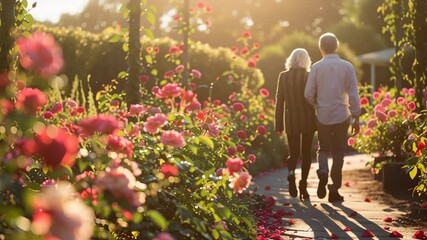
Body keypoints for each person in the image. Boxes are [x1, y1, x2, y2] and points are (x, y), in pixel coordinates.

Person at [304, 32, 361, 203]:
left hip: (323, 115)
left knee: (323, 148)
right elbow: (353, 94)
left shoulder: (316, 67)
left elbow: (308, 93)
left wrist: (317, 104)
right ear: (336, 47)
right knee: (338, 152)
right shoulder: (347, 67)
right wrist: (356, 117)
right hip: (343, 115)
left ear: (321, 48)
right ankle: (334, 190)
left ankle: (323, 171)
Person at [275, 48, 316, 201]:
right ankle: (303, 185)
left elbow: (279, 101)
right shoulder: (309, 76)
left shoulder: (283, 76)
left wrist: (278, 125)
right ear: (306, 60)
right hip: (308, 119)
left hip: (290, 120)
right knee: (306, 153)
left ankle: (291, 173)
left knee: (293, 152)